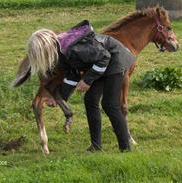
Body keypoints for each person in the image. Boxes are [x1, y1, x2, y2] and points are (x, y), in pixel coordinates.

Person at [27, 20, 136, 152]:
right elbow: (72, 75)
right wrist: (59, 97)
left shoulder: (72, 49)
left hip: (116, 59)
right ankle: (96, 147)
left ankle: (126, 149)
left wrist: (87, 81)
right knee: (90, 100)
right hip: (101, 66)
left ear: (45, 48)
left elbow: (104, 57)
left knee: (110, 104)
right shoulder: (60, 54)